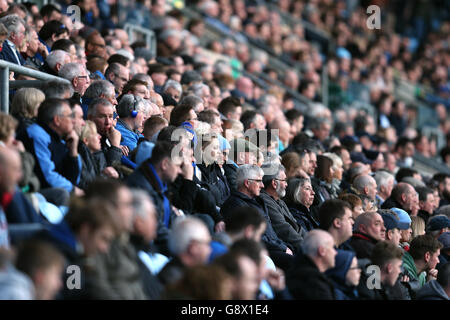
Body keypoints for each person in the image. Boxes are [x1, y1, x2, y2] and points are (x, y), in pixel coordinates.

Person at [220, 164, 294, 271]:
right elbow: (254, 237)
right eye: (259, 181)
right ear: (247, 183)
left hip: (273, 247)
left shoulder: (259, 201)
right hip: (257, 252)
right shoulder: (235, 205)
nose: (263, 185)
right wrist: (282, 248)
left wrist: (284, 246)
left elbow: (271, 232)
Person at [127, 141, 182, 255]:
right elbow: (156, 228)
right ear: (165, 164)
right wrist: (180, 244)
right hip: (146, 250)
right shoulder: (141, 186)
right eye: (177, 166)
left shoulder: (159, 182)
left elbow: (170, 214)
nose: (180, 171)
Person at [19, 98, 83, 196]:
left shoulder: (60, 138)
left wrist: (73, 151)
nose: (73, 121)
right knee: (62, 194)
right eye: (70, 116)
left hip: (53, 190)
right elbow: (47, 177)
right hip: (32, 191)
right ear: (57, 120)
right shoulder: (36, 135)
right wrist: (73, 189)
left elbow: (74, 179)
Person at [259, 163, 306, 253]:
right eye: (284, 180)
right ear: (274, 183)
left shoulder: (280, 201)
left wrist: (310, 240)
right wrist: (307, 247)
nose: (286, 184)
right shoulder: (264, 200)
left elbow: (296, 225)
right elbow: (284, 229)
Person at [158, 216, 212, 286]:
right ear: (193, 248)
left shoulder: (184, 275)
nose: (210, 250)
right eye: (207, 244)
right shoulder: (177, 284)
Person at [286, 229, 337, 300]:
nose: (335, 253)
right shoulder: (316, 287)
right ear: (322, 251)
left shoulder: (298, 273)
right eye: (332, 248)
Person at [87, 98, 124, 166]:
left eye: (110, 117)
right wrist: (115, 147)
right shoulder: (87, 143)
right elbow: (108, 171)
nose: (108, 122)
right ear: (90, 118)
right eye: (102, 117)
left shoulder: (108, 137)